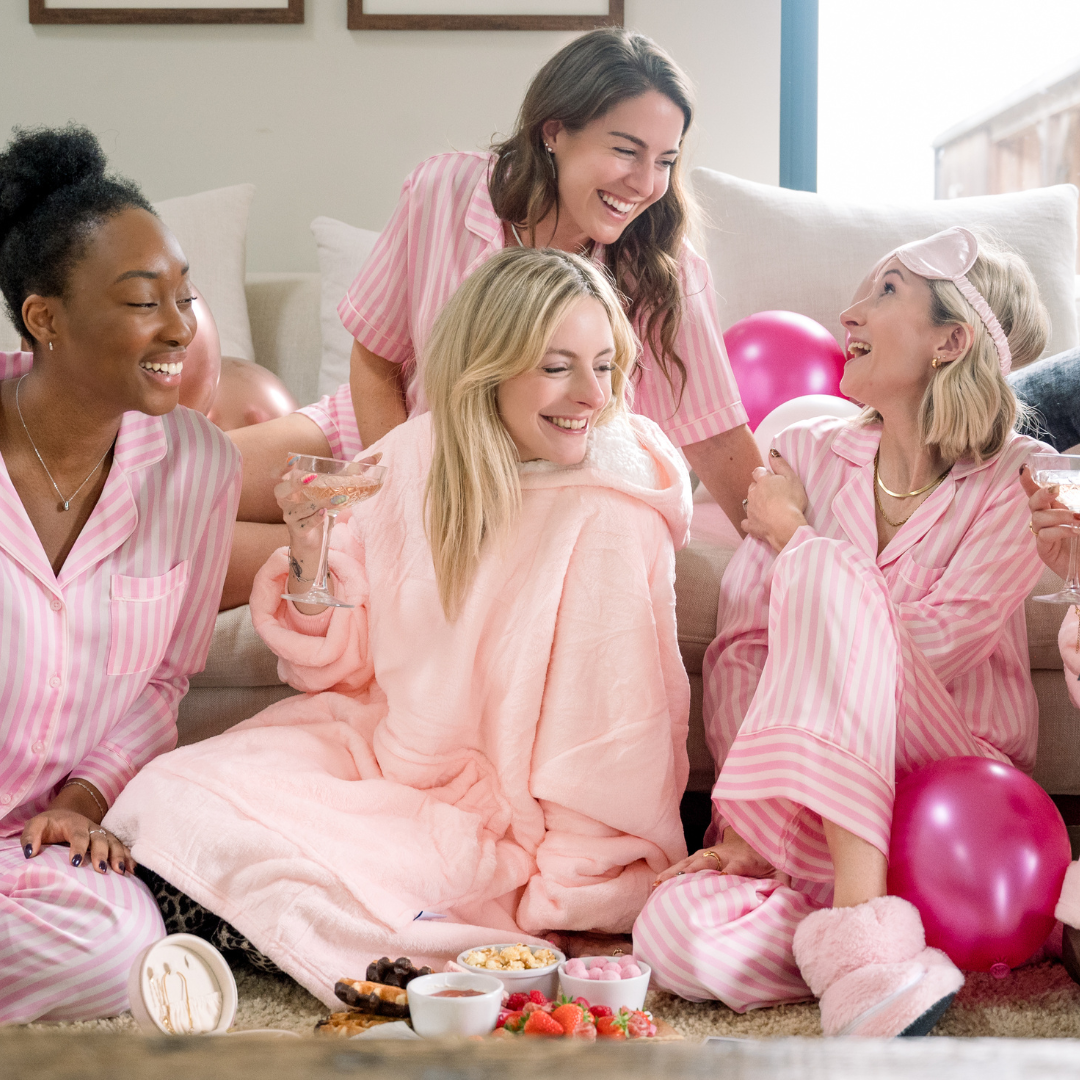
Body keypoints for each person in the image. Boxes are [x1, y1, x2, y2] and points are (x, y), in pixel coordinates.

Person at [105, 247, 693, 1009]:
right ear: (490, 367)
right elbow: (335, 665)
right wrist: (311, 551)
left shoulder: (613, 511)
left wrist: (577, 900)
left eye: (606, 366)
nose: (590, 395)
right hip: (376, 751)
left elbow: (613, 736)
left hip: (500, 813)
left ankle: (261, 930)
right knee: (169, 794)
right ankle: (225, 915)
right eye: (557, 367)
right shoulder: (418, 456)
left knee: (363, 905)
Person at [633, 227, 1051, 1037]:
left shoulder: (1017, 477)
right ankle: (887, 954)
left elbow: (926, 647)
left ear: (951, 341)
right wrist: (754, 829)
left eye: (887, 292)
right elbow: (746, 646)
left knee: (823, 572)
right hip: (809, 801)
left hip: (946, 776)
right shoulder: (803, 450)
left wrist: (799, 541)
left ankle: (862, 942)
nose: (849, 311)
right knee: (669, 935)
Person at [222, 26, 759, 607]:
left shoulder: (663, 269)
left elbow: (716, 437)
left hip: (492, 502)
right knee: (167, 492)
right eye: (626, 150)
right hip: (378, 440)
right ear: (554, 132)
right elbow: (376, 356)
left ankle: (341, 550)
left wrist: (803, 548)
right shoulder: (446, 190)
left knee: (213, 551)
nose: (646, 183)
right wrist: (397, 486)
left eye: (665, 160)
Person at [0, 125, 241, 1022]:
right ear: (46, 319)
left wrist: (83, 798)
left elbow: (165, 678)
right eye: (145, 302)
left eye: (185, 295)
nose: (181, 327)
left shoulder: (201, 466)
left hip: (37, 845)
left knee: (118, 957)